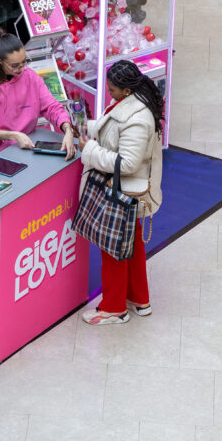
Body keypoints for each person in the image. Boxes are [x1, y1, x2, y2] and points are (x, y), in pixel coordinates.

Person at [78, 60, 164, 325]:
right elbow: (113, 129)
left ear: (126, 90)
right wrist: (87, 127)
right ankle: (139, 299)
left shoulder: (137, 120)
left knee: (113, 248)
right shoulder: (135, 104)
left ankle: (114, 308)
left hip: (121, 193)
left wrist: (89, 150)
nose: (109, 93)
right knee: (132, 244)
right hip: (129, 196)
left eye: (112, 90)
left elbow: (127, 164)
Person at [0, 29, 76, 172]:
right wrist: (12, 135)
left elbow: (52, 107)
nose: (21, 68)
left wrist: (67, 130)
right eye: (15, 65)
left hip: (17, 153)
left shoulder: (31, 78)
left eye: (24, 62)